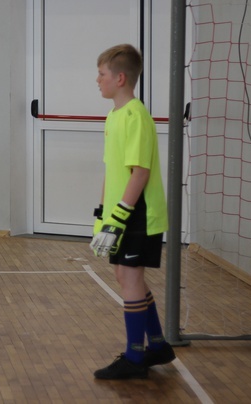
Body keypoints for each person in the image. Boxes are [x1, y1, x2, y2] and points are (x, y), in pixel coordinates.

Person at [90, 44, 175, 379]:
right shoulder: (114, 115)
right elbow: (113, 171)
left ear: (120, 77)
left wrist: (120, 218)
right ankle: (157, 345)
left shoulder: (137, 116)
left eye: (102, 74)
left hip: (138, 216)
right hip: (119, 216)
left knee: (131, 278)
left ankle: (135, 357)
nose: (97, 80)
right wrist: (102, 217)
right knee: (125, 276)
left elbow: (140, 172)